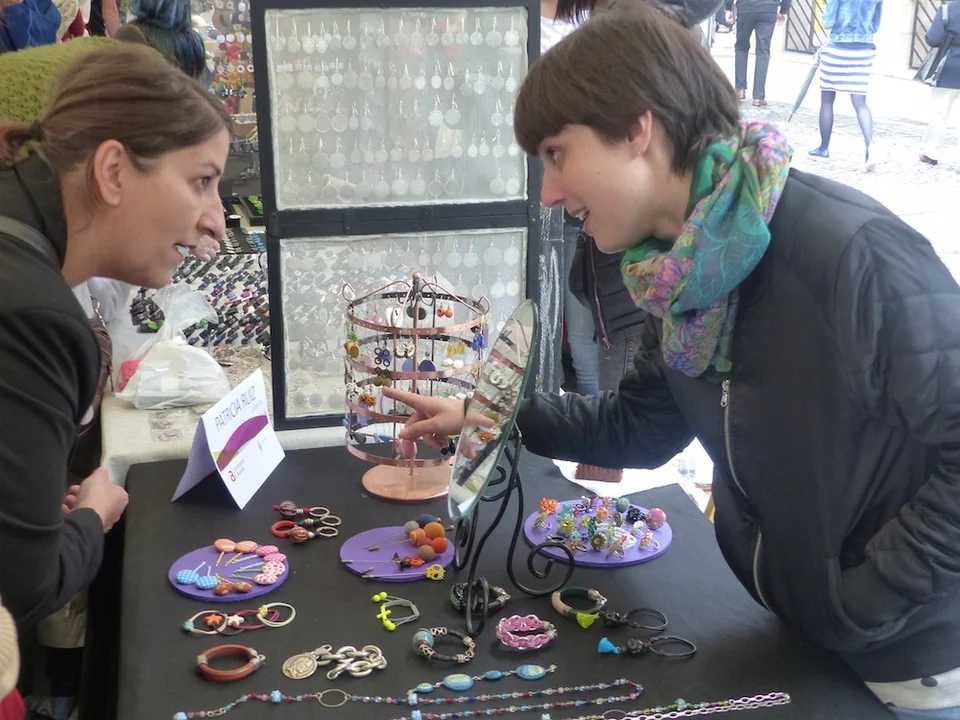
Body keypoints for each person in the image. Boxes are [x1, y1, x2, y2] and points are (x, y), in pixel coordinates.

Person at [386, 4, 960, 717]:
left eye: (558, 154)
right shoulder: (678, 276)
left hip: (904, 664)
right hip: (796, 624)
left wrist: (869, 596)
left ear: (638, 129)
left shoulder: (854, 254)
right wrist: (492, 416)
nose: (549, 194)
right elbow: (642, 426)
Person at [0, 43, 231, 632]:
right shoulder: (36, 318)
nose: (216, 218)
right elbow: (24, 586)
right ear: (112, 172)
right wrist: (92, 517)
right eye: (202, 181)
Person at [808, 0, 882, 169]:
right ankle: (870, 145)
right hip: (864, 50)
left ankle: (823, 148)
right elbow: (876, 25)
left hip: (838, 46)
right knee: (860, 102)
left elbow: (827, 22)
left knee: (827, 99)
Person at [725, 0, 789, 106]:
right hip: (769, 8)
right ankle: (758, 96)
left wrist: (728, 7)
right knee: (763, 51)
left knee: (741, 47)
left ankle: (740, 89)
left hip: (745, 7)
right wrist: (784, 10)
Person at [920, 0, 959, 166]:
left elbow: (933, 39)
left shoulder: (948, 9)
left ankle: (931, 153)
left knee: (940, 113)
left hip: (949, 68)